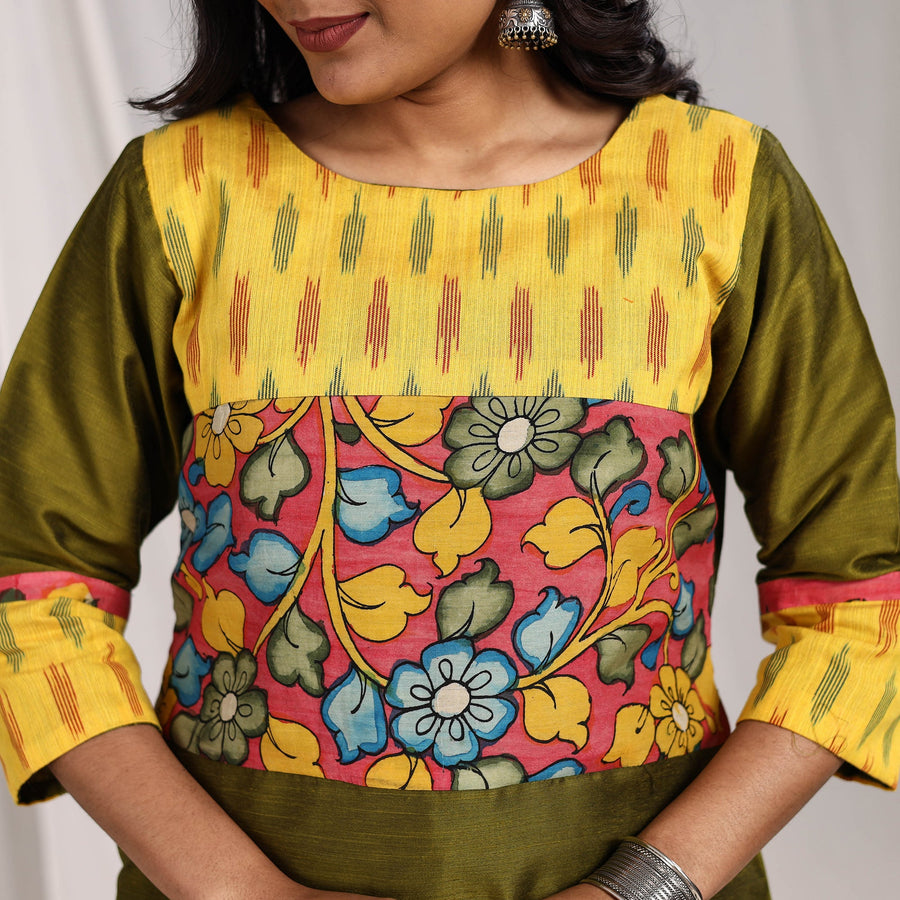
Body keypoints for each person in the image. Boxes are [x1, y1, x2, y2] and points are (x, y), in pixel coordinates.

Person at [1, 1, 898, 898]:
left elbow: (864, 604)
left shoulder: (716, 190)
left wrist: (641, 888)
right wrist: (239, 891)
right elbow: (27, 583)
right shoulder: (184, 192)